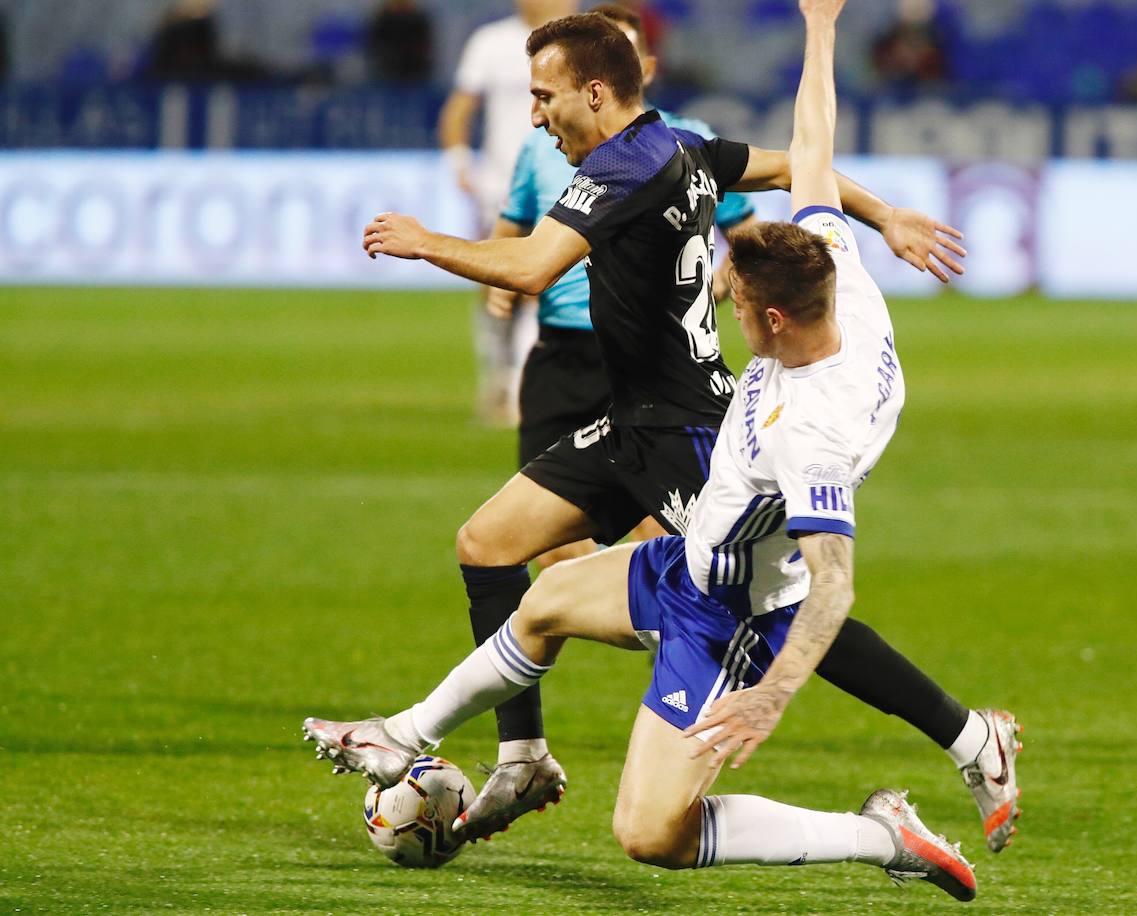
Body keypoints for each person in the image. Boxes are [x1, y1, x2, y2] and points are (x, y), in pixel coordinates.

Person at [308, 0, 1016, 898]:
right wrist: (875, 198)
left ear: (596, 92)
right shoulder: (694, 156)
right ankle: (492, 751)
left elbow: (531, 269)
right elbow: (809, 160)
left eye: (544, 95)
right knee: (499, 554)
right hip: (630, 418)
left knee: (774, 612)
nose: (534, 112)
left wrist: (422, 244)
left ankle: (957, 743)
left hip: (689, 434)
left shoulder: (794, 415)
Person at [489, 3, 758, 569]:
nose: (538, 112)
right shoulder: (542, 144)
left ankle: (667, 627)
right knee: (536, 542)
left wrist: (714, 290)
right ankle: (616, 621)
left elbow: (749, 235)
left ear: (636, 71)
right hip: (563, 354)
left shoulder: (680, 146)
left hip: (654, 367)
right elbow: (514, 221)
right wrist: (500, 276)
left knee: (661, 538)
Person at [439, 0, 578, 425]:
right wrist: (460, 161)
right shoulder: (491, 42)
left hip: (567, 178)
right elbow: (459, 110)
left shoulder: (582, 43)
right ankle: (496, 377)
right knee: (494, 283)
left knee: (545, 283)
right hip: (502, 184)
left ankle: (524, 383)